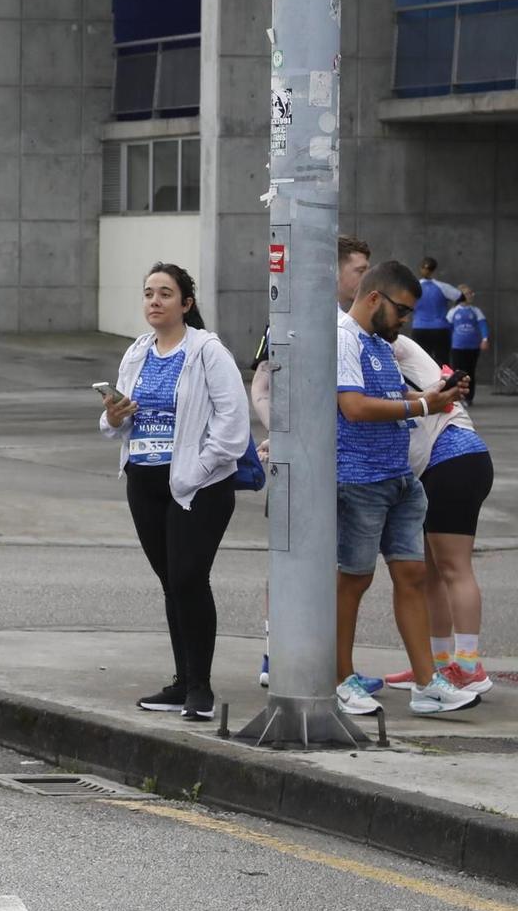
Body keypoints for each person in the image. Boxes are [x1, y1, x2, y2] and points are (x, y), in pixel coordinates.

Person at [99, 265, 247, 722]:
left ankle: (200, 688)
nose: (154, 301)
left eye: (166, 293)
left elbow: (232, 422)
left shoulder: (207, 351)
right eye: (148, 293)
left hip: (197, 485)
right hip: (145, 481)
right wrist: (115, 415)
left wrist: (199, 469)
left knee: (188, 578)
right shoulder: (137, 352)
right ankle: (182, 681)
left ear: (186, 304)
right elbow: (114, 424)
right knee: (171, 582)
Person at [332, 261, 477, 717]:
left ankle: (426, 683)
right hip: (359, 479)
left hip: (399, 478)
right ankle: (340, 679)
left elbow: (388, 402)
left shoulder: (379, 342)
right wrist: (421, 404)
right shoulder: (343, 337)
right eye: (402, 310)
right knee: (353, 580)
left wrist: (436, 396)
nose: (406, 320)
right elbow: (353, 407)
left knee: (411, 576)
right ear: (375, 298)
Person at [249, 233, 369, 687]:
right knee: (285, 558)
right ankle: (272, 653)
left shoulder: (367, 327)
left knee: (347, 569)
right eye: (359, 269)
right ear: (333, 271)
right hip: (299, 466)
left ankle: (337, 667)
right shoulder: (289, 319)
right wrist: (283, 433)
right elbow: (261, 389)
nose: (366, 278)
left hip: (356, 468)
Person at [380, 334, 496, 699]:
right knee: (432, 573)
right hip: (437, 466)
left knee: (453, 568)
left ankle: (468, 666)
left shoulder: (389, 342)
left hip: (453, 458)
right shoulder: (373, 345)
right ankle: (438, 662)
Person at [410, 257, 461, 364]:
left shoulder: (413, 287)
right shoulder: (442, 286)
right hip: (440, 328)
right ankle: (445, 380)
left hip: (420, 328)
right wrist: (451, 310)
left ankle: (424, 381)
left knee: (420, 361)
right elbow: (460, 297)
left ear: (420, 269)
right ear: (434, 270)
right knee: (443, 361)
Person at [447, 286, 489, 406]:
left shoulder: (476, 311)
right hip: (457, 347)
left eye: (471, 293)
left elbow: (483, 325)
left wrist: (485, 339)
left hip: (473, 348)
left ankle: (469, 398)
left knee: (470, 373)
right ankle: (457, 396)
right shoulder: (453, 312)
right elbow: (448, 329)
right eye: (468, 293)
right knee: (458, 373)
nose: (471, 295)